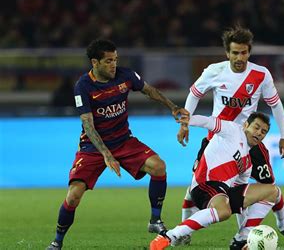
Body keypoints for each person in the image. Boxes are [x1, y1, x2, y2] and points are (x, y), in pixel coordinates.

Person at [46, 39, 189, 250]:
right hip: (93, 147)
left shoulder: (125, 75)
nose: (114, 64)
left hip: (123, 140)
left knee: (159, 166)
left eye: (115, 59)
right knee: (74, 194)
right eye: (108, 61)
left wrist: (172, 107)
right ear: (95, 62)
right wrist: (106, 154)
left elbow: (149, 90)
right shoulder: (83, 86)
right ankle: (57, 242)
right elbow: (88, 125)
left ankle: (154, 221)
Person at [177, 26, 284, 248]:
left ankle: (278, 227)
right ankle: (184, 229)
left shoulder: (260, 74)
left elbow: (276, 104)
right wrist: (185, 124)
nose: (239, 57)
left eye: (243, 52)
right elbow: (194, 94)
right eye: (235, 53)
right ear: (227, 53)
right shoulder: (214, 71)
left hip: (251, 141)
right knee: (196, 185)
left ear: (249, 52)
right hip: (218, 141)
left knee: (268, 188)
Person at [151, 112, 279, 250]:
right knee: (223, 211)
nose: (259, 133)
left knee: (272, 191)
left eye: (263, 131)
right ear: (246, 125)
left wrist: (244, 233)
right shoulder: (233, 130)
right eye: (256, 127)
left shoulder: (248, 163)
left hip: (222, 191)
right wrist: (189, 121)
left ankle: (241, 240)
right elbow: (209, 122)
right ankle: (169, 235)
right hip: (204, 184)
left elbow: (242, 197)